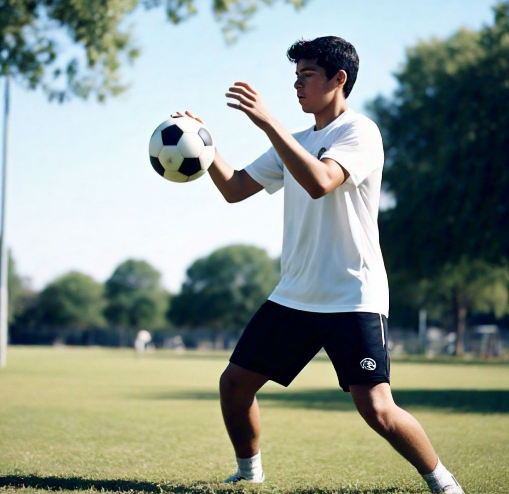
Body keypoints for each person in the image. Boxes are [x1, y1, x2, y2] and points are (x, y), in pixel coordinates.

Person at [173, 36, 464, 494]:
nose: (297, 85)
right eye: (295, 77)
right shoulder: (296, 141)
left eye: (306, 76)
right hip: (295, 294)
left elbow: (322, 181)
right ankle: (249, 476)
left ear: (338, 79)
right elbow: (233, 189)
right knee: (234, 384)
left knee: (377, 409)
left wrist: (269, 123)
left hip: (352, 295)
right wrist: (202, 144)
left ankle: (445, 484)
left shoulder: (359, 132)